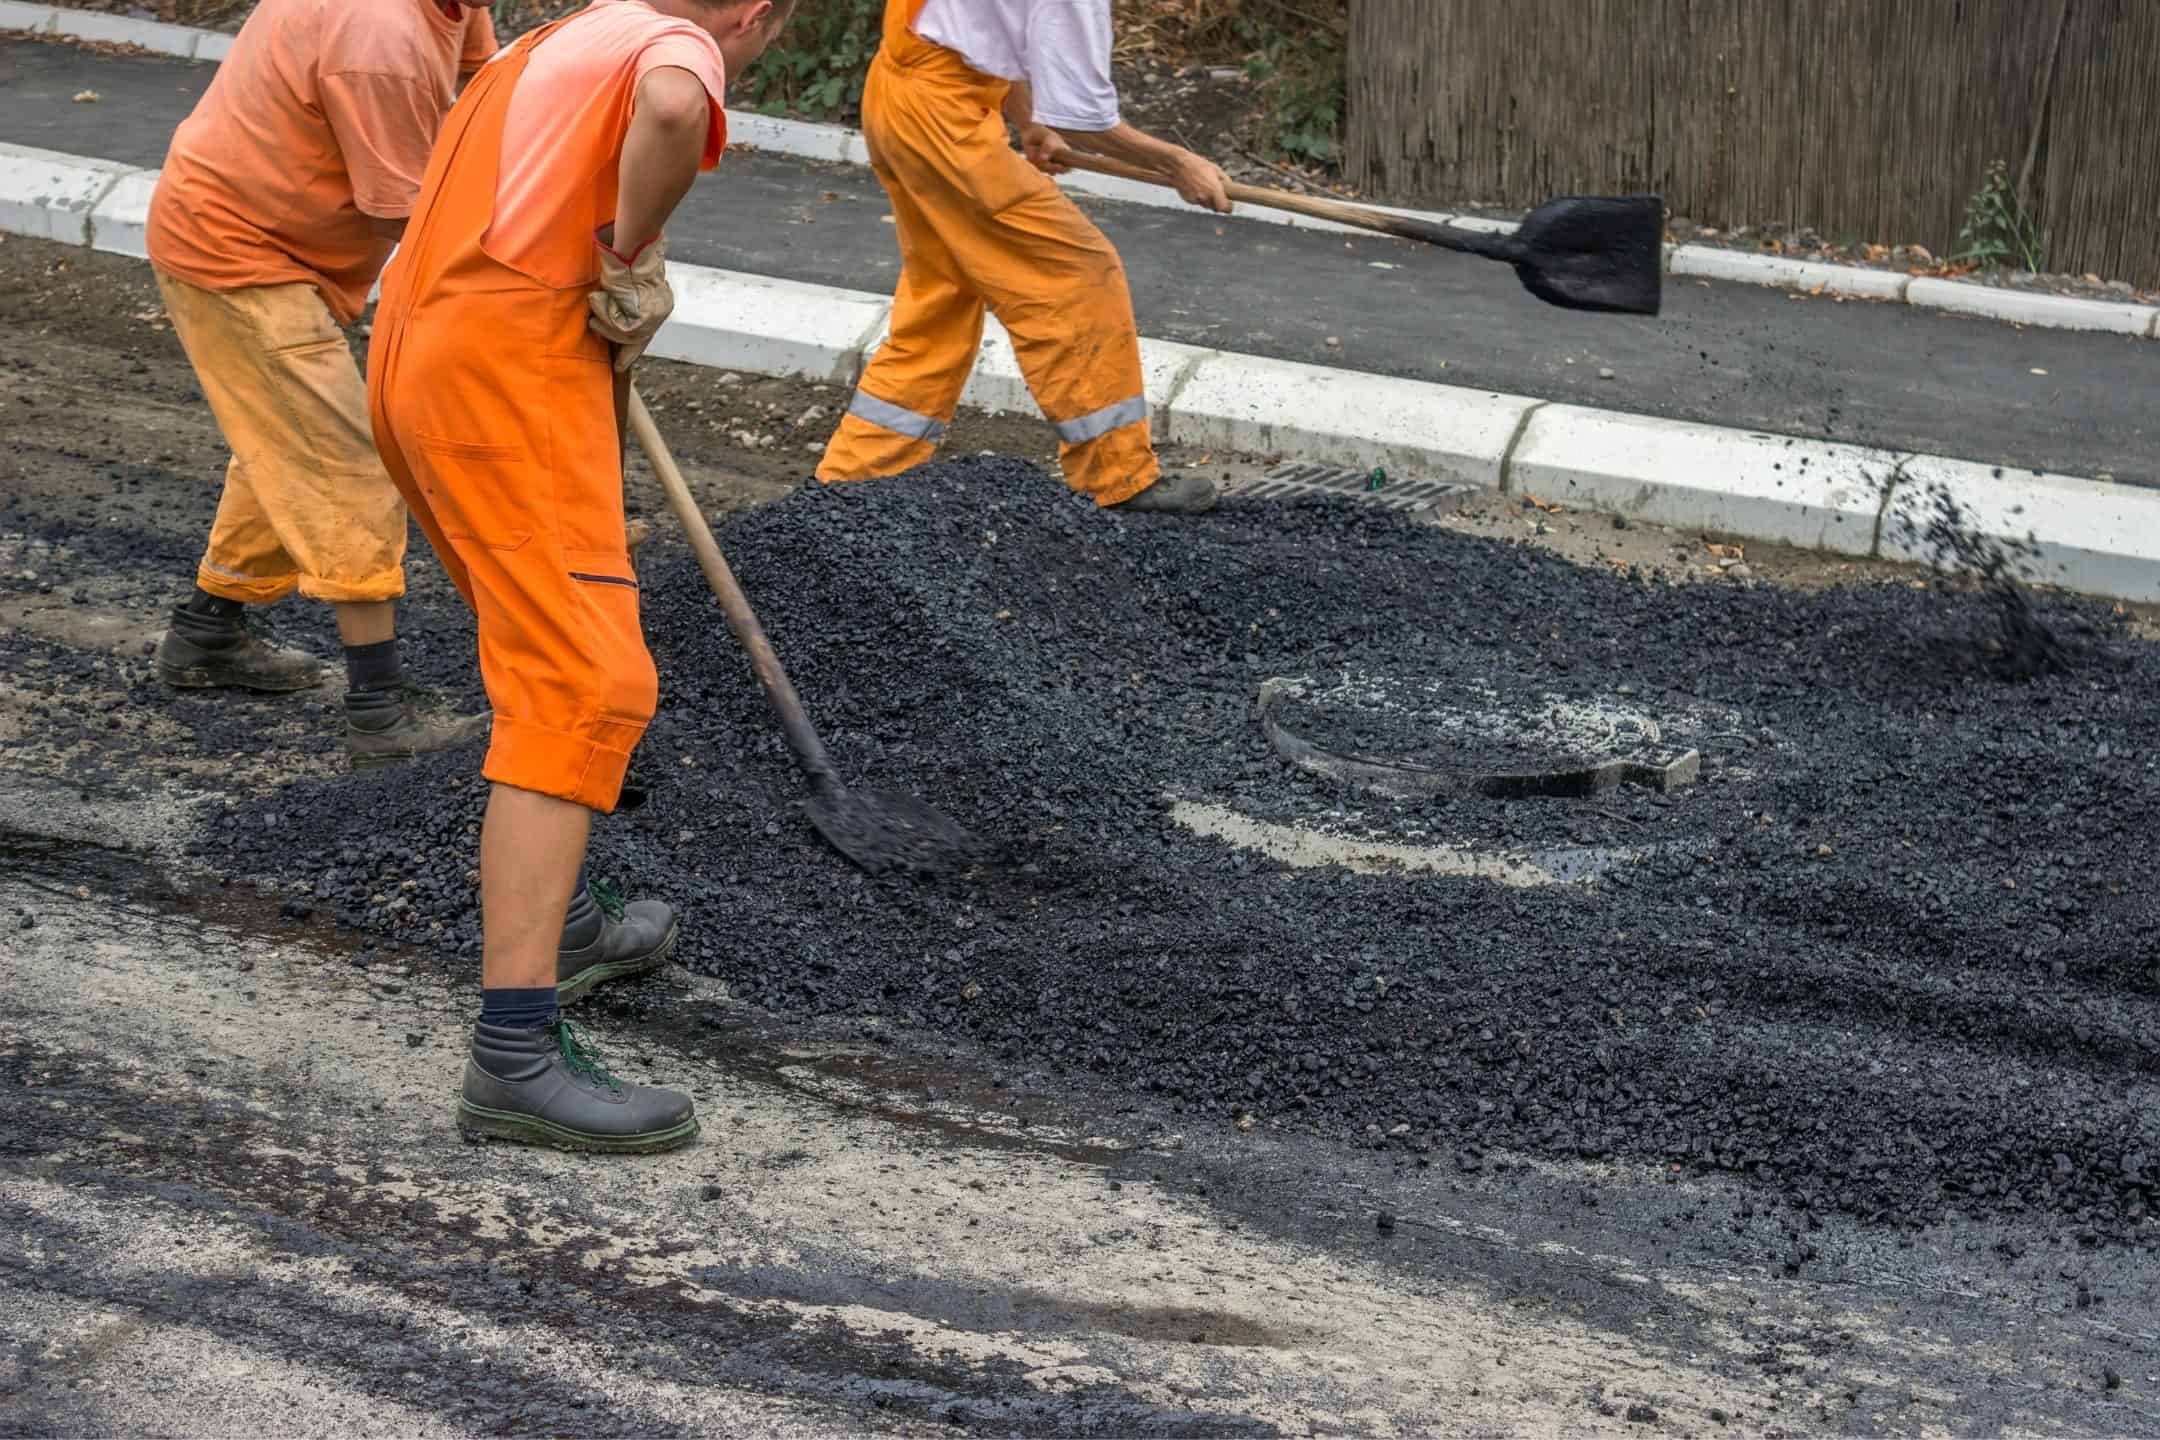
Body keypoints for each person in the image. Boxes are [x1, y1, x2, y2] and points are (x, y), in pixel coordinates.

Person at [368, 0, 793, 1154]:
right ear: (752, 13)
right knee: (583, 688)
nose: (744, 64)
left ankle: (563, 933)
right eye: (761, 46)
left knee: (538, 653)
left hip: (421, 349)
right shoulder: (674, 41)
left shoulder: (557, 34)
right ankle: (513, 1056)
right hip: (504, 372)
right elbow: (672, 101)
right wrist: (626, 252)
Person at [146, 0, 502, 767]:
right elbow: (403, 216)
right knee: (346, 461)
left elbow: (483, 92)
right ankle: (377, 716)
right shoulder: (381, 37)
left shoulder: (452, 5)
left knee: (289, 439)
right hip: (236, 253)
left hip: (286, 244)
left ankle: (206, 634)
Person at [816, 0, 1234, 515]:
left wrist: (1030, 120)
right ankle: (1117, 477)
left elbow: (979, 28)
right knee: (1076, 274)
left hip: (904, 96)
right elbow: (1084, 120)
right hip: (943, 121)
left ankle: (851, 485)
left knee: (943, 297)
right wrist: (1177, 164)